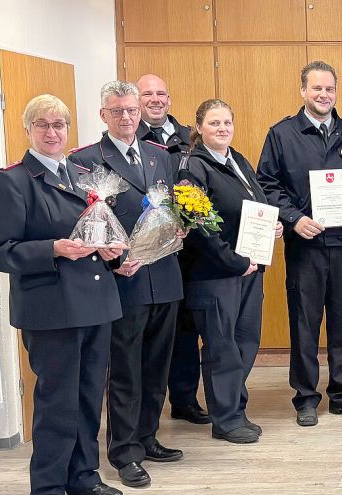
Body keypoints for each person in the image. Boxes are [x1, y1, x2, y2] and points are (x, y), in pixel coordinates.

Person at [0, 94, 125, 495]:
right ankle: (47, 485)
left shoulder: (84, 176)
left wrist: (113, 248)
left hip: (96, 303)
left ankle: (84, 474)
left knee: (87, 397)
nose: (52, 132)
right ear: (27, 130)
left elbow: (95, 230)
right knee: (56, 399)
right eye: (42, 125)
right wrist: (53, 249)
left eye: (59, 125)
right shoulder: (12, 181)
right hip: (52, 307)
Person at [70, 80, 183, 489]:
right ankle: (125, 452)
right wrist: (116, 258)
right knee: (125, 370)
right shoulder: (85, 160)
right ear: (103, 115)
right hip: (123, 281)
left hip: (165, 276)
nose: (127, 117)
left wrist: (178, 228)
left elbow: (169, 204)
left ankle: (148, 436)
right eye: (117, 111)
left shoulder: (158, 154)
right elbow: (85, 224)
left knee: (157, 366)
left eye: (132, 110)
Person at [257, 60, 342, 426]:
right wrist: (294, 219)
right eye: (316, 89)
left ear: (336, 92)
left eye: (329, 89)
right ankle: (306, 398)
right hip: (305, 244)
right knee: (304, 323)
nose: (323, 95)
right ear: (303, 91)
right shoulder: (281, 134)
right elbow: (267, 185)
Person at [178, 98, 284, 443]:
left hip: (250, 268)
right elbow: (198, 226)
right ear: (199, 128)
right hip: (217, 274)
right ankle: (225, 420)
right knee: (222, 347)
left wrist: (273, 225)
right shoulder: (193, 167)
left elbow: (256, 205)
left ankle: (236, 409)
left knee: (245, 343)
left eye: (227, 122)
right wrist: (234, 261)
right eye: (214, 123)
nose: (222, 129)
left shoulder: (236, 159)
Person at [134, 73, 209, 425]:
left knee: (184, 330)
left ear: (169, 98)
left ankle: (184, 399)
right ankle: (143, 412)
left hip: (187, 251)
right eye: (147, 94)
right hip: (144, 255)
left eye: (161, 93)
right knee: (145, 336)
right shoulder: (129, 140)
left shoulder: (188, 139)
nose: (155, 99)